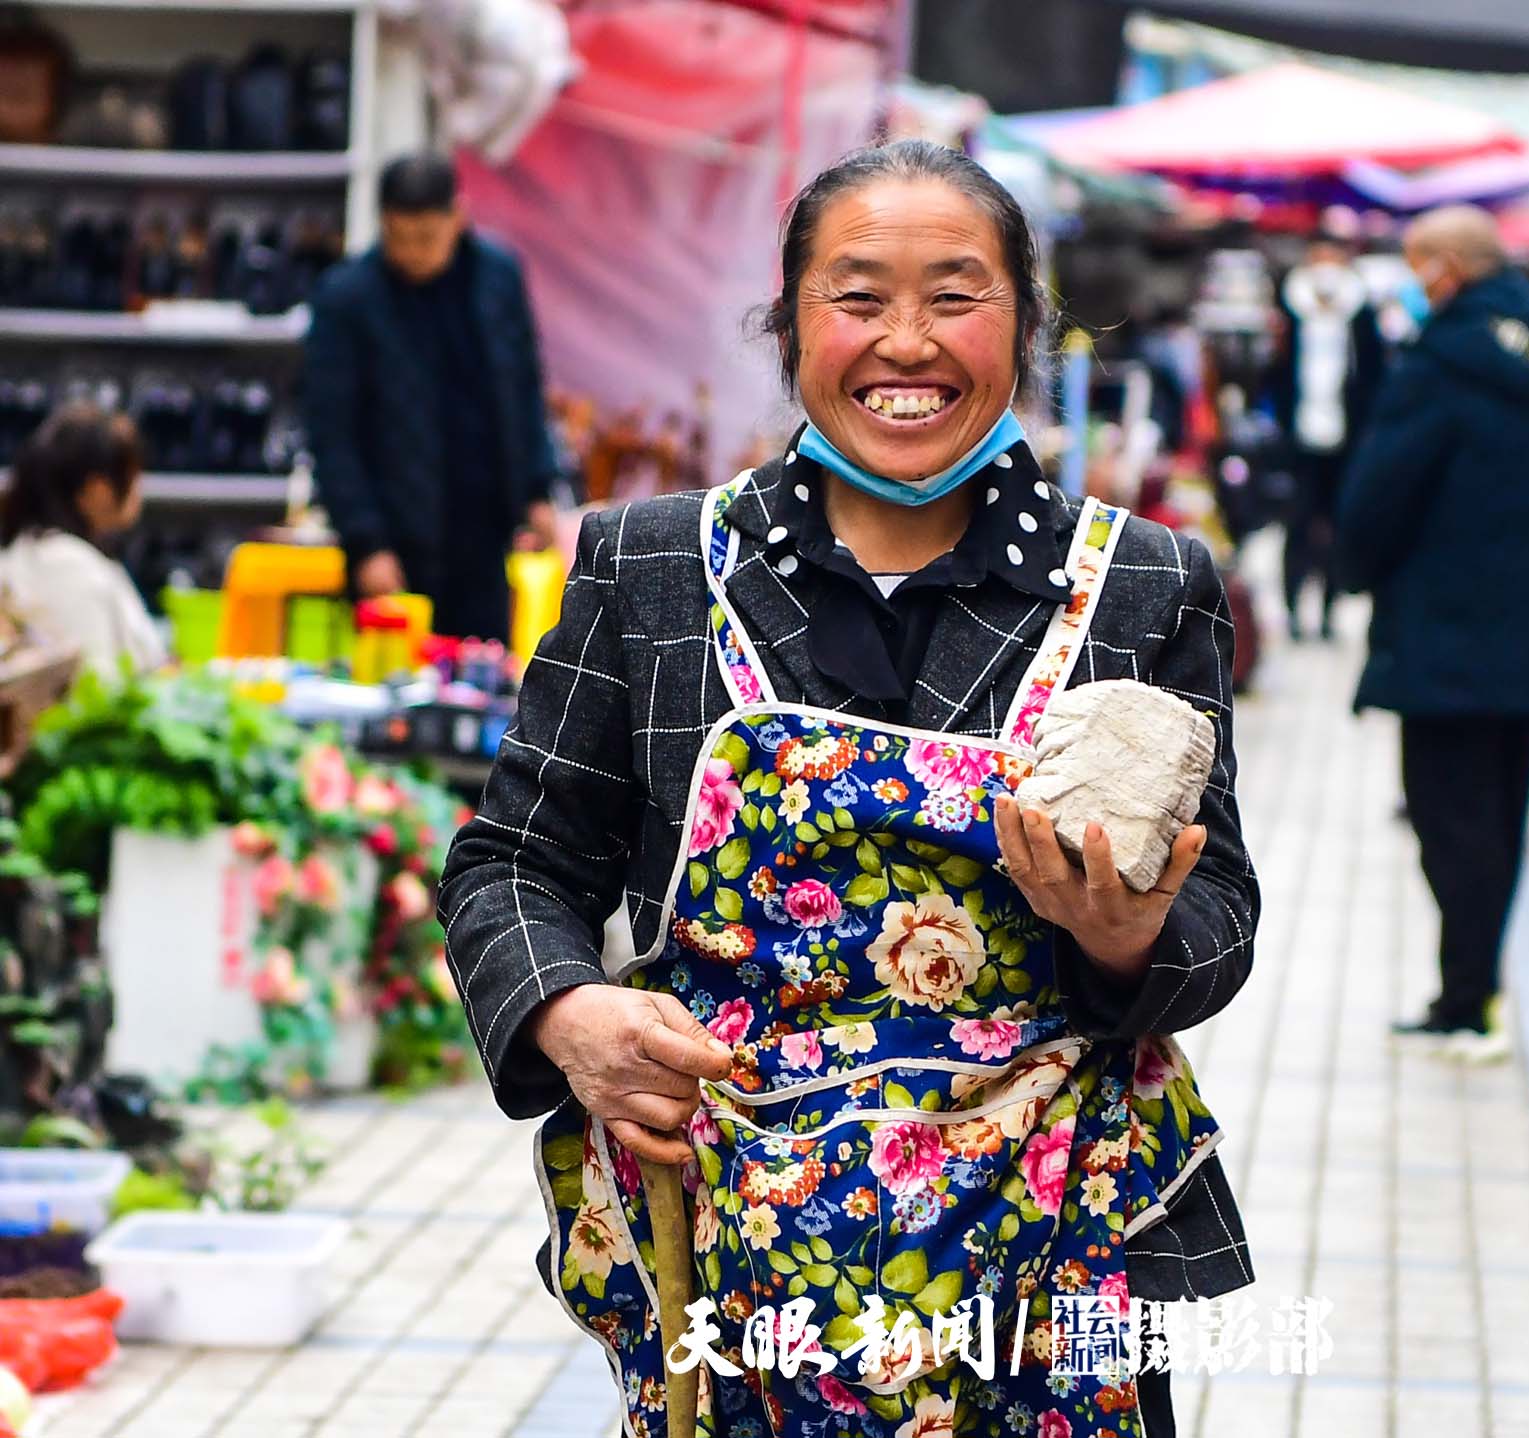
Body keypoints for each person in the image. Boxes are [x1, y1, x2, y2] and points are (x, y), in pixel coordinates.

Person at [439, 140, 1259, 1438]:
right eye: (859, 295)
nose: (907, 341)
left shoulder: (1143, 585)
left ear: (1028, 323)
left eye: (956, 294)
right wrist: (567, 1010)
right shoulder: (651, 568)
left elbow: (1218, 903)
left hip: (1050, 1267)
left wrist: (1132, 934)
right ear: (790, 321)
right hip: (738, 1262)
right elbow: (514, 862)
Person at [1337, 206, 1529, 1059]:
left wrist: (1354, 568)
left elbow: (1384, 488)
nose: (1416, 285)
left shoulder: (1443, 361)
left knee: (1447, 817)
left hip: (1446, 626)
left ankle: (1465, 998)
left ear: (1448, 267)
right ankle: (1472, 991)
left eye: (1420, 266)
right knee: (1502, 812)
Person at [304, 152, 557, 640]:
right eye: (399, 238)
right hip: (393, 540)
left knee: (483, 678)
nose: (414, 252)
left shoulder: (498, 278)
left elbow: (523, 387)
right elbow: (330, 433)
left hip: (483, 538)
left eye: (426, 237)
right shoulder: (347, 298)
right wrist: (366, 542)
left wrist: (536, 488)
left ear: (458, 216)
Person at [0, 403, 165, 678]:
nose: (140, 488)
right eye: (134, 474)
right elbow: (96, 687)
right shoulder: (66, 567)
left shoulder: (42, 553)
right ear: (98, 489)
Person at [1276, 232, 1384, 640]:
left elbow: (1373, 377)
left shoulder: (1360, 314)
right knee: (1298, 528)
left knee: (1336, 530)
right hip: (1299, 442)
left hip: (1347, 444)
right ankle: (1291, 608)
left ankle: (1328, 610)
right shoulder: (1291, 308)